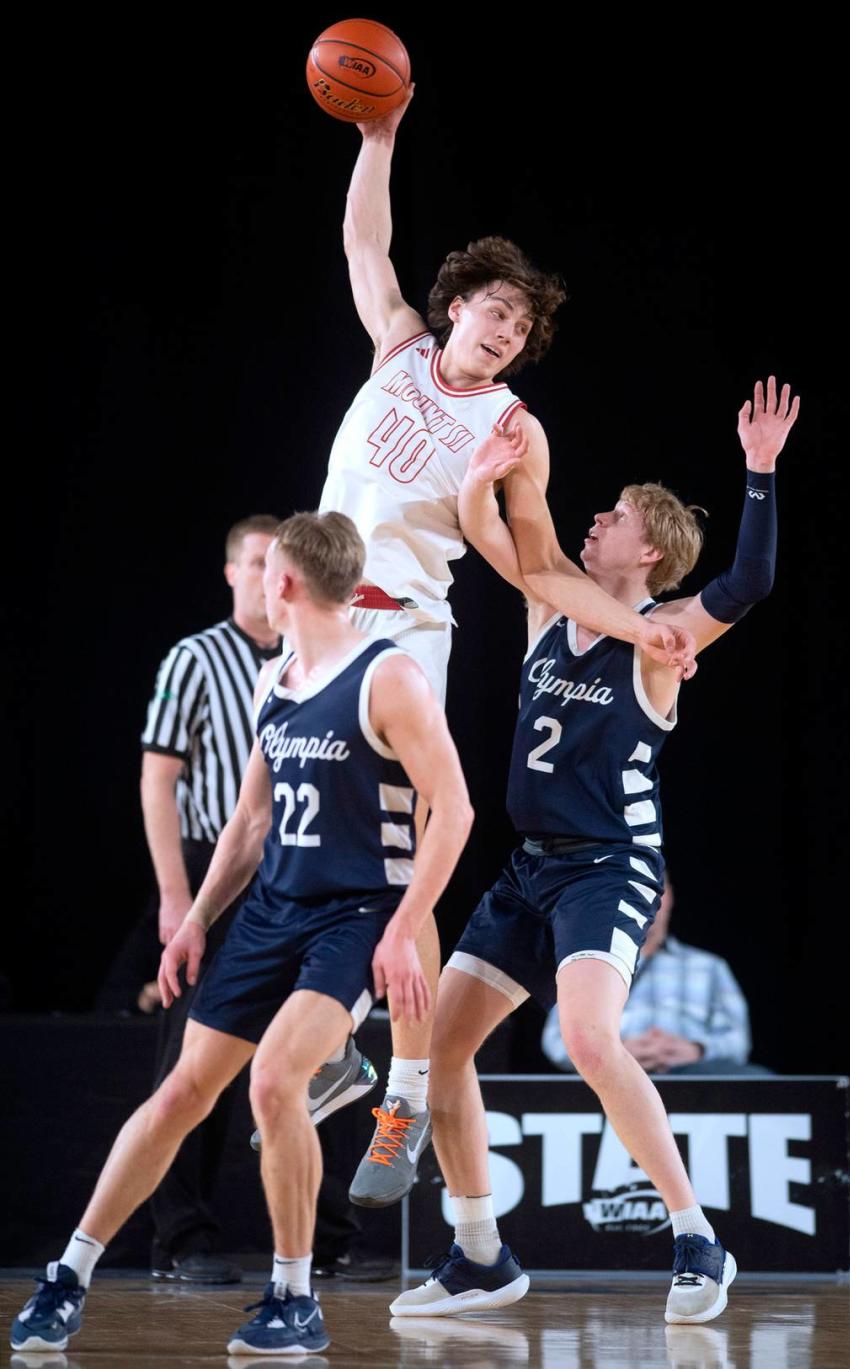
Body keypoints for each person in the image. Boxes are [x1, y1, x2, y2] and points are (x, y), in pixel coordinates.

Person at [318, 87, 696, 1209]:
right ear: (456, 307)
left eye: (523, 325)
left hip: (405, 628)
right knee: (309, 841)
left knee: (421, 842)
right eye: (493, 311)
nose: (506, 330)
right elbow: (361, 238)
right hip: (325, 621)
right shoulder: (397, 344)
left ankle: (408, 1079)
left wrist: (642, 625)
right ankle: (343, 1034)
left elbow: (538, 571)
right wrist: (378, 141)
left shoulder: (513, 431)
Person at [10, 511, 473, 1356]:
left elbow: (457, 809)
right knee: (183, 1093)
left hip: (355, 913)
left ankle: (293, 1297)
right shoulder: (277, 679)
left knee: (270, 1082)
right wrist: (193, 918)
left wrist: (406, 926)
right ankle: (68, 1274)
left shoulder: (389, 676)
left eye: (267, 569)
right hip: (271, 909)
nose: (261, 579)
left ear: (284, 582)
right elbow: (251, 818)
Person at [390, 377, 798, 1326]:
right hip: (529, 864)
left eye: (611, 516)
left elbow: (750, 583)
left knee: (585, 1036)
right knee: (441, 1051)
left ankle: (697, 1235)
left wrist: (761, 471)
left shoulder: (664, 635)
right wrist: (483, 480)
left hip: (609, 863)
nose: (594, 522)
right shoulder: (549, 610)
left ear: (648, 546)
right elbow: (491, 540)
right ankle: (480, 1252)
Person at [140, 513, 282, 1282]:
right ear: (232, 572)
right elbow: (157, 780)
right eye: (255, 561)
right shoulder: (195, 657)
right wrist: (175, 896)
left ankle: (320, 1233)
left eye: (276, 561)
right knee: (190, 1056)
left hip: (292, 869)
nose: (267, 575)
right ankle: (179, 1235)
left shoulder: (306, 655)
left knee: (304, 1050)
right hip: (211, 871)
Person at [541, 875, 771, 1075]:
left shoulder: (709, 967)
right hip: (613, 1078)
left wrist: (697, 1050)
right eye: (634, 890)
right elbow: (555, 1041)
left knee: (761, 1083)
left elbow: (738, 1041)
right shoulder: (590, 967)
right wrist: (614, 1052)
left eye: (653, 890)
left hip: (692, 1080)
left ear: (668, 897)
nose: (644, 901)